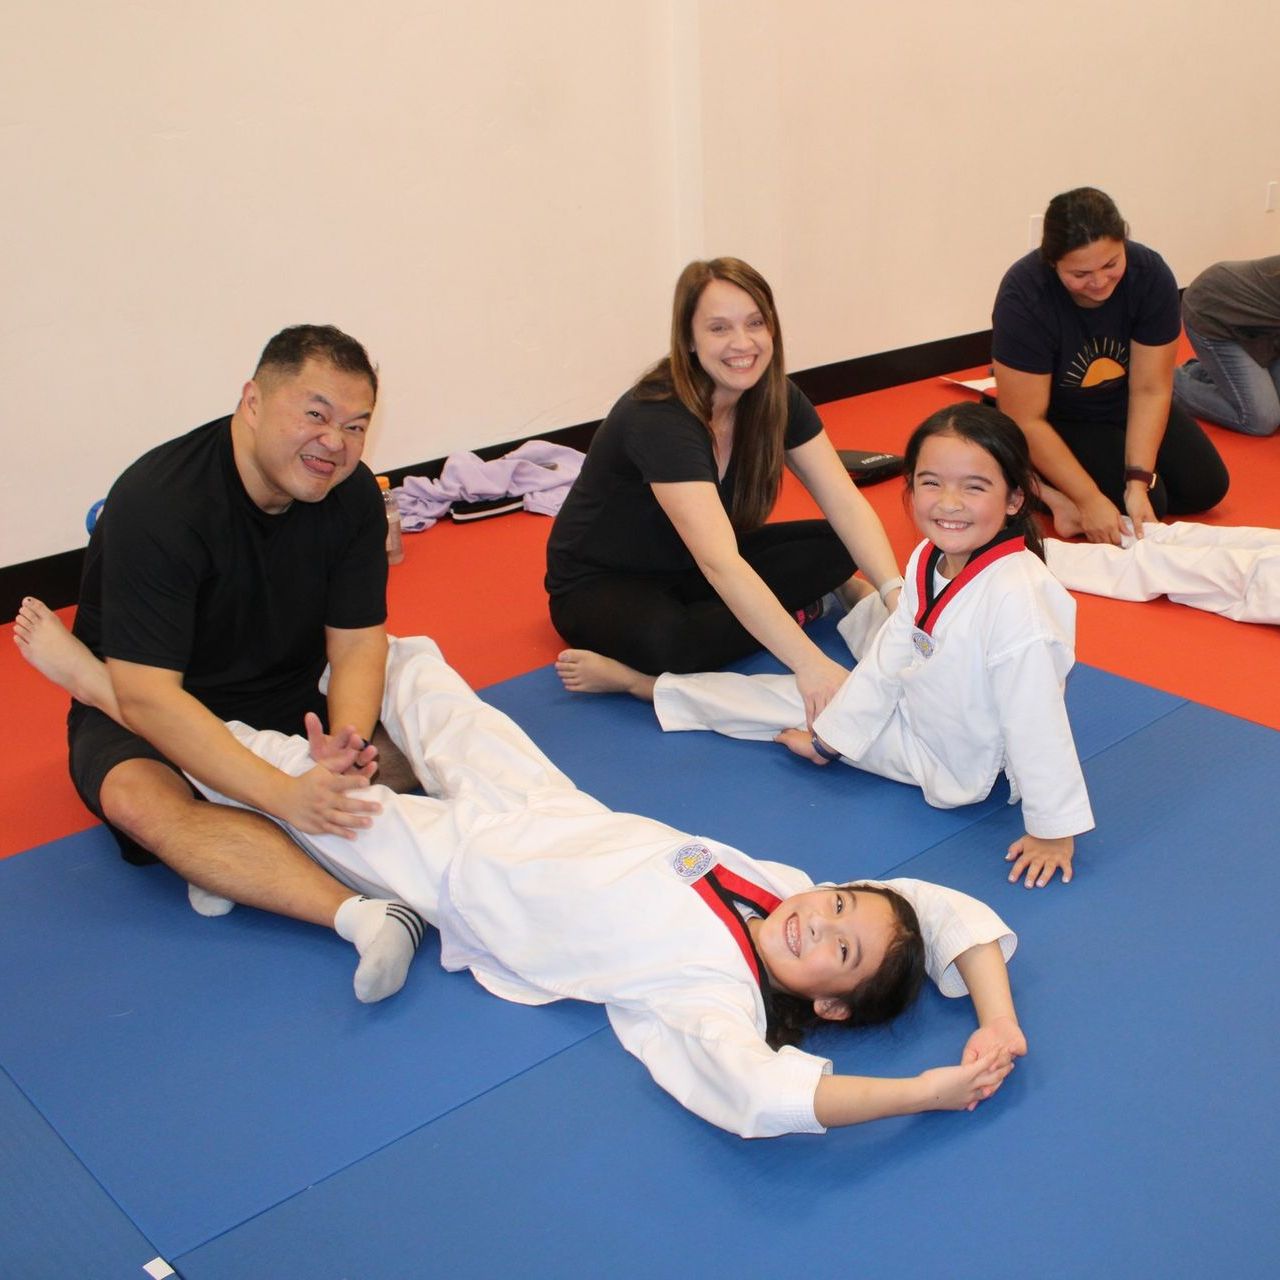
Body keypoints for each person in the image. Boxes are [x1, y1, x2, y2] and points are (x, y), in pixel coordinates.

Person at [15, 614, 1024, 1139]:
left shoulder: (709, 996)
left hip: (461, 874)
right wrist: (996, 1011)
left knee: (288, 781)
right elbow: (936, 909)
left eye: (836, 949)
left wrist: (923, 1089)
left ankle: (101, 686)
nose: (819, 919)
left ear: (830, 1007)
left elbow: (764, 1097)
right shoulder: (779, 883)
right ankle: (266, 740)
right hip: (544, 805)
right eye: (838, 903)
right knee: (416, 669)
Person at [558, 404, 1094, 889]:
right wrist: (833, 737)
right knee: (860, 661)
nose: (948, 504)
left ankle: (649, 685)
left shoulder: (1019, 600)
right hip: (923, 690)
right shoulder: (929, 557)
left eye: (974, 488)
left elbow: (1036, 719)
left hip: (951, 758)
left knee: (782, 698)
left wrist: (1052, 828)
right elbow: (891, 659)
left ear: (1016, 497)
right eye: (931, 483)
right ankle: (847, 607)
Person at [48, 325, 425, 1002]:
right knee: (140, 803)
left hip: (285, 694)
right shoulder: (159, 504)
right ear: (252, 401)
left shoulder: (354, 498)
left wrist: (344, 742)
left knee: (404, 763)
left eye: (355, 425)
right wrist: (285, 795)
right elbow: (146, 696)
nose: (334, 443)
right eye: (314, 414)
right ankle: (364, 914)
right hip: (148, 707)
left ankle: (240, 846)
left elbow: (360, 641)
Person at [545, 257, 905, 727]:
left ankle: (797, 603)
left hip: (693, 565)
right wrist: (811, 666)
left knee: (838, 547)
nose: (742, 344)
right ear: (689, 340)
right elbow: (721, 562)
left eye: (755, 323)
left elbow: (843, 499)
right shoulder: (659, 417)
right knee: (673, 646)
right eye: (719, 328)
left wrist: (898, 597)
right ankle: (638, 681)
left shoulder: (774, 394)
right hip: (605, 583)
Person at [992, 187, 1229, 545]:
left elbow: (1151, 388)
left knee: (1205, 488)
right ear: (1052, 262)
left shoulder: (1149, 275)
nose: (1099, 282)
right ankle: (1030, 483)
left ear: (1124, 243)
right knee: (1152, 502)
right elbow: (1025, 419)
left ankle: (1104, 478)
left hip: (1122, 401)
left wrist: (1137, 480)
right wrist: (1087, 499)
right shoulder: (1024, 295)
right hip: (1057, 418)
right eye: (1081, 273)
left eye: (1110, 264)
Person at [1172, 254, 1280, 437]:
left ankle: (1212, 371)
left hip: (1256, 328)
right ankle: (1167, 382)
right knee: (1262, 419)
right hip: (1212, 314)